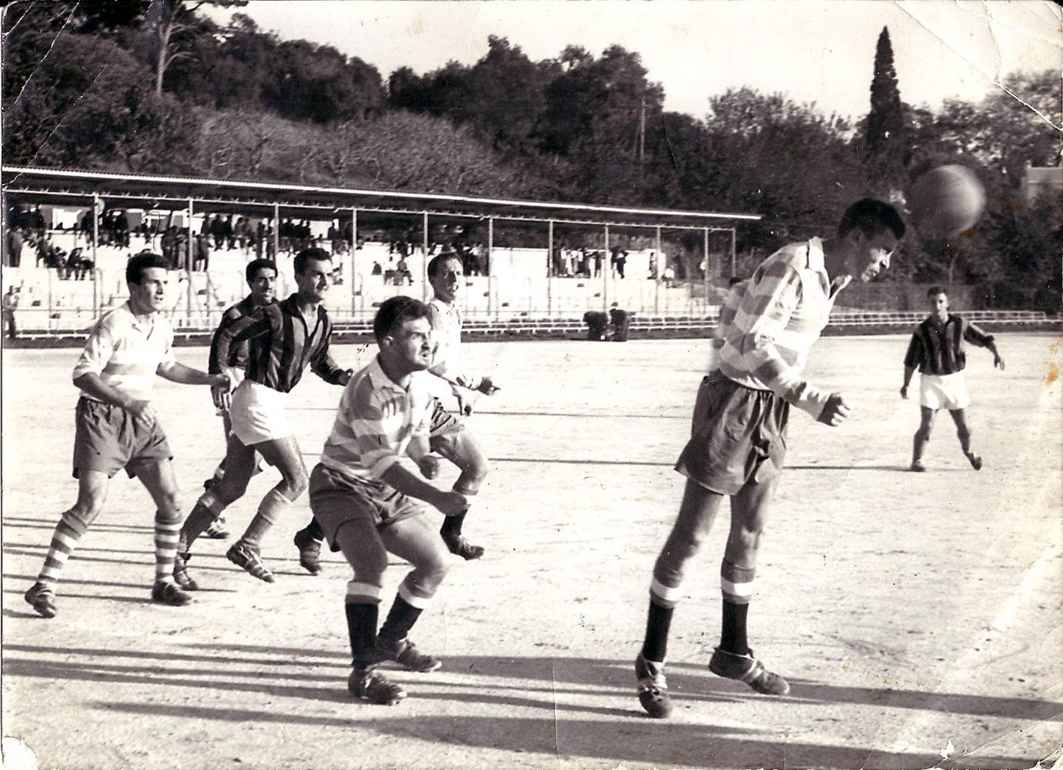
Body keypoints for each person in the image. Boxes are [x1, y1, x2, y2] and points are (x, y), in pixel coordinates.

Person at [634, 198, 905, 718]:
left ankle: (733, 652)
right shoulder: (794, 264)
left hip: (769, 407)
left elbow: (739, 313)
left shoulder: (834, 278)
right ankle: (651, 660)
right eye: (883, 250)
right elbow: (751, 339)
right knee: (692, 535)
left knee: (750, 532)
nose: (885, 262)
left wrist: (788, 397)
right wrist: (808, 396)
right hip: (736, 400)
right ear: (856, 237)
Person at [23, 253, 230, 618]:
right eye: (153, 282)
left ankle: (163, 581)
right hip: (101, 417)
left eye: (165, 282)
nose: (161, 288)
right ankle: (44, 584)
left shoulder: (162, 326)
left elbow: (166, 365)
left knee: (171, 499)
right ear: (133, 287)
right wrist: (126, 401)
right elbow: (83, 374)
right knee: (90, 502)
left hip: (142, 419)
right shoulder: (114, 323)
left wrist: (210, 379)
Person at [309, 296, 470, 704]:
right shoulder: (366, 388)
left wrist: (423, 455)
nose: (427, 344)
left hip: (384, 489)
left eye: (428, 336)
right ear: (388, 342)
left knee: (436, 562)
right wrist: (436, 496)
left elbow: (414, 433)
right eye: (416, 336)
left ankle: (392, 640)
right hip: (340, 485)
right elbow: (381, 463)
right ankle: (363, 671)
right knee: (371, 564)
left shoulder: (418, 382)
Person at [292, 251, 495, 570]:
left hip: (434, 406)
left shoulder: (452, 312)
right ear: (432, 279)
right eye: (446, 274)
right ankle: (313, 534)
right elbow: (436, 363)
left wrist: (461, 393)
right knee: (367, 473)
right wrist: (474, 382)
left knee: (476, 466)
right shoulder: (433, 313)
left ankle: (450, 534)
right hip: (412, 406)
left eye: (459, 273)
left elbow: (447, 361)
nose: (454, 280)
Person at [172, 248, 351, 589]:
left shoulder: (324, 318)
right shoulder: (275, 313)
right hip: (256, 398)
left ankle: (176, 550)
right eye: (316, 274)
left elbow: (321, 361)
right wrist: (219, 374)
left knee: (232, 486)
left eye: (329, 273)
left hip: (268, 402)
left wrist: (343, 377)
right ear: (299, 277)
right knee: (296, 479)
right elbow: (227, 334)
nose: (324, 280)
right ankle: (249, 545)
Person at [198, 259, 279, 539]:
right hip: (235, 378)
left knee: (257, 461)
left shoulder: (278, 311)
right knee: (244, 455)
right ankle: (211, 510)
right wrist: (217, 380)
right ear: (250, 283)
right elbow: (219, 344)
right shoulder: (236, 313)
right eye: (261, 279)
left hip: (262, 384)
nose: (267, 284)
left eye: (272, 278)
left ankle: (212, 493)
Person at [900, 286, 1004, 472]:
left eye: (941, 301)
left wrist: (996, 354)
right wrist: (906, 384)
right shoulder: (921, 330)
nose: (937, 306)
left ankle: (970, 453)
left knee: (964, 426)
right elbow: (911, 360)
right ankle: (916, 461)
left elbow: (984, 338)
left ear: (947, 303)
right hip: (931, 382)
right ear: (928, 304)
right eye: (933, 302)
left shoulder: (960, 324)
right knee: (927, 424)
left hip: (955, 381)